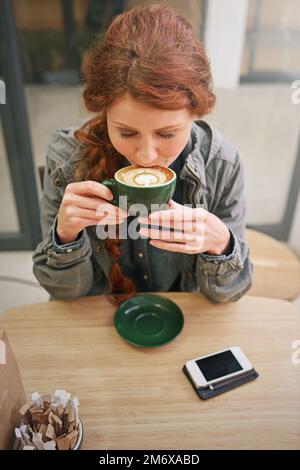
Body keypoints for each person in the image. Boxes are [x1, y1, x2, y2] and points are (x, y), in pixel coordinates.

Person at [32, 4, 253, 306]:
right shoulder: (68, 158)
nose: (146, 156)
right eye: (126, 132)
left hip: (183, 317)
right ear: (104, 110)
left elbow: (228, 294)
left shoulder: (221, 164)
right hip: (96, 320)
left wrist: (222, 245)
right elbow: (63, 294)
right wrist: (65, 236)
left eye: (167, 134)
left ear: (196, 113)